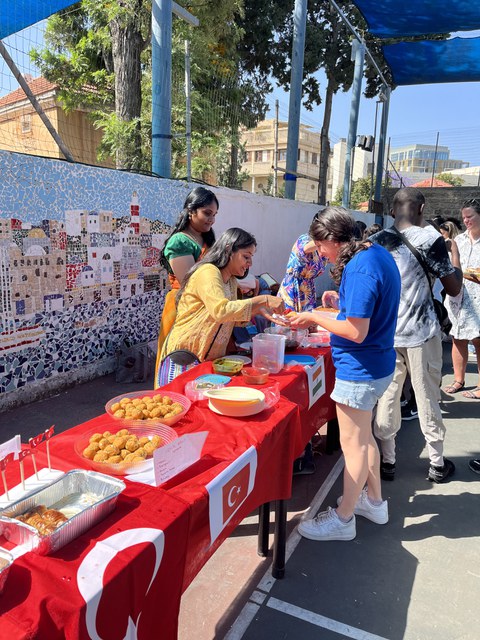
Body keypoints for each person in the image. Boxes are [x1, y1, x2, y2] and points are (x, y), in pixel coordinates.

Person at [289, 206, 401, 542]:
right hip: (376, 364)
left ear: (332, 240)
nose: (319, 254)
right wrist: (339, 304)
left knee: (353, 446)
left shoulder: (360, 267)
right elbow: (366, 312)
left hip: (360, 368)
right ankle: (375, 502)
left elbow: (355, 331)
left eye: (319, 246)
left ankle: (343, 518)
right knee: (365, 439)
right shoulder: (376, 253)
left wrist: (315, 316)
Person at [371, 187, 463, 483]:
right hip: (421, 334)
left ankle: (388, 461)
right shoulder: (431, 239)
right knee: (426, 397)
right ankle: (436, 464)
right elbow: (453, 288)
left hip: (386, 335)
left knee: (387, 397)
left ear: (391, 210)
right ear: (422, 208)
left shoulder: (376, 242)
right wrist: (455, 257)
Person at [157, 228, 285, 385]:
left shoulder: (230, 280)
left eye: (251, 257)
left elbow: (231, 319)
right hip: (185, 358)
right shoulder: (208, 272)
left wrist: (258, 310)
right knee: (178, 405)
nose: (249, 263)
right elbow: (221, 310)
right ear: (228, 250)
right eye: (246, 257)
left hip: (208, 360)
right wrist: (263, 300)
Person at [154, 187, 218, 386]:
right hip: (182, 307)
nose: (211, 219)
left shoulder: (206, 238)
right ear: (191, 211)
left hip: (204, 305)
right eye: (207, 213)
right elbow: (189, 283)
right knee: (179, 359)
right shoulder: (180, 241)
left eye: (214, 215)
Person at [443, 198, 480, 399]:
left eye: (470, 216)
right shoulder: (459, 241)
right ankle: (459, 379)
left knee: (479, 340)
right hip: (460, 297)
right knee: (458, 338)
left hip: (479, 300)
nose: (466, 221)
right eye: (464, 217)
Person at [277, 227, 329, 312]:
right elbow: (305, 248)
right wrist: (327, 240)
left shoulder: (324, 249)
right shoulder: (305, 239)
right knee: (289, 320)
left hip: (308, 290)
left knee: (308, 322)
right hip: (293, 287)